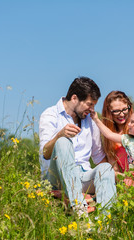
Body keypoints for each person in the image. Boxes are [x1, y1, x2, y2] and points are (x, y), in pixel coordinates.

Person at [39, 76, 116, 217]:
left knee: (106, 169)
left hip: (82, 175)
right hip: (56, 177)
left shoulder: (90, 120)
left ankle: (106, 226)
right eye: (89, 104)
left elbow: (99, 157)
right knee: (62, 142)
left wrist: (114, 175)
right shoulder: (50, 114)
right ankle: (80, 213)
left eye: (93, 105)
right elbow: (45, 153)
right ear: (74, 98)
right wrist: (59, 135)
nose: (92, 109)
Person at [101, 91, 133, 174]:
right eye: (116, 111)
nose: (121, 114)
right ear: (108, 112)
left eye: (124, 109)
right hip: (126, 180)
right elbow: (115, 169)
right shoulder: (107, 137)